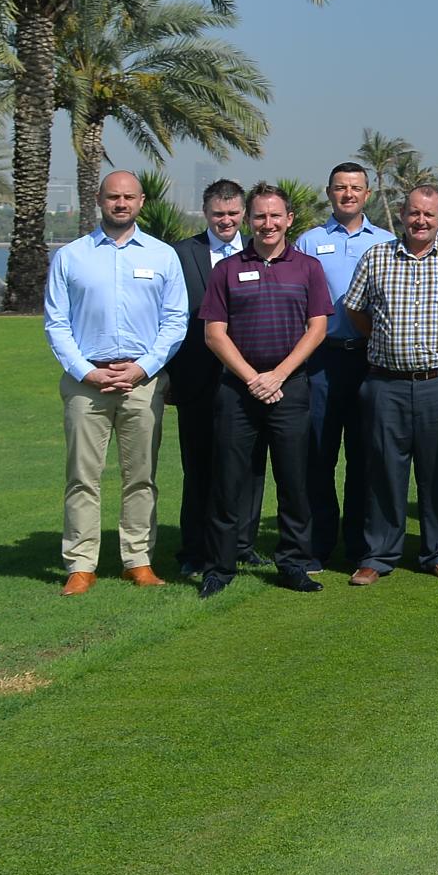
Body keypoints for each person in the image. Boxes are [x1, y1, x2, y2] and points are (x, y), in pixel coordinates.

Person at [43, 171, 190, 594]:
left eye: (128, 197)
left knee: (140, 475)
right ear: (99, 200)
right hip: (86, 380)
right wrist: (85, 371)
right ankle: (81, 563)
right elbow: (56, 322)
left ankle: (137, 559)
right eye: (113, 197)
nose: (120, 203)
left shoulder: (163, 256)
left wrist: (143, 368)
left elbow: (175, 321)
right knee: (82, 476)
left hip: (141, 381)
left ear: (141, 202)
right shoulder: (72, 256)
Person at [343, 184, 438, 584]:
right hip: (385, 383)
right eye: (413, 213)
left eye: (429, 214)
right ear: (402, 215)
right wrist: (384, 341)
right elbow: (354, 309)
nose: (420, 221)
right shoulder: (377, 257)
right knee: (384, 471)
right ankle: (378, 554)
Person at [194, 183, 331, 595]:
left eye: (275, 216)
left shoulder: (307, 268)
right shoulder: (228, 269)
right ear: (249, 220)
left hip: (291, 389)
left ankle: (293, 562)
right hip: (238, 392)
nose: (267, 224)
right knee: (228, 481)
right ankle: (219, 566)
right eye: (259, 216)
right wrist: (253, 378)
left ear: (289, 219)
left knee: (294, 482)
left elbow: (318, 328)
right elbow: (214, 334)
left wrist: (278, 376)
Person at [294, 163, 395, 569]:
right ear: (328, 192)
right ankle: (317, 545)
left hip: (370, 360)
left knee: (364, 456)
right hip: (322, 358)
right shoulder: (308, 241)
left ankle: (360, 547)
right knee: (318, 455)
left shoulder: (387, 241)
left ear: (367, 194)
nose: (347, 194)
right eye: (340, 188)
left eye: (355, 188)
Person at [169, 180, 247, 583]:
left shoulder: (258, 253)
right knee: (197, 468)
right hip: (195, 378)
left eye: (233, 213)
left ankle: (242, 546)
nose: (226, 220)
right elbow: (166, 318)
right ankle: (195, 549)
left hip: (246, 379)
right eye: (219, 214)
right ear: (206, 213)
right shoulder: (182, 254)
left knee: (246, 468)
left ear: (243, 213)